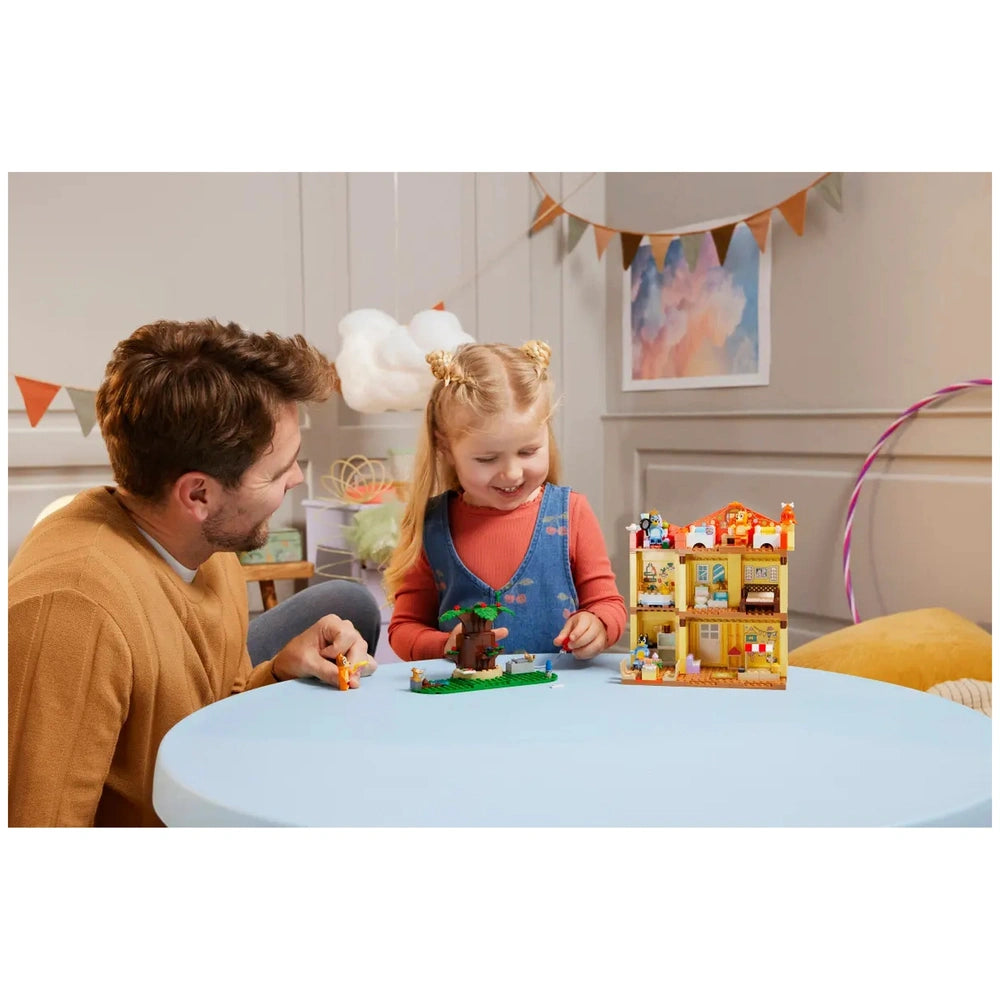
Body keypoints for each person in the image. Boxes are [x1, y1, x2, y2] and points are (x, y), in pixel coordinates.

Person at [8, 319, 380, 827]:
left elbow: (207, 707)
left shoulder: (208, 544)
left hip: (202, 785)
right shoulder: (72, 613)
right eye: (278, 471)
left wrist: (277, 671)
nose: (296, 478)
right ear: (199, 495)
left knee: (350, 605)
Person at [385, 339, 626, 661]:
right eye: (487, 459)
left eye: (528, 452)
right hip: (467, 701)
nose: (512, 474)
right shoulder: (432, 524)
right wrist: (444, 645)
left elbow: (608, 605)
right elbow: (403, 629)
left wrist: (597, 624)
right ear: (445, 449)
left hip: (559, 699)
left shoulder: (572, 513)